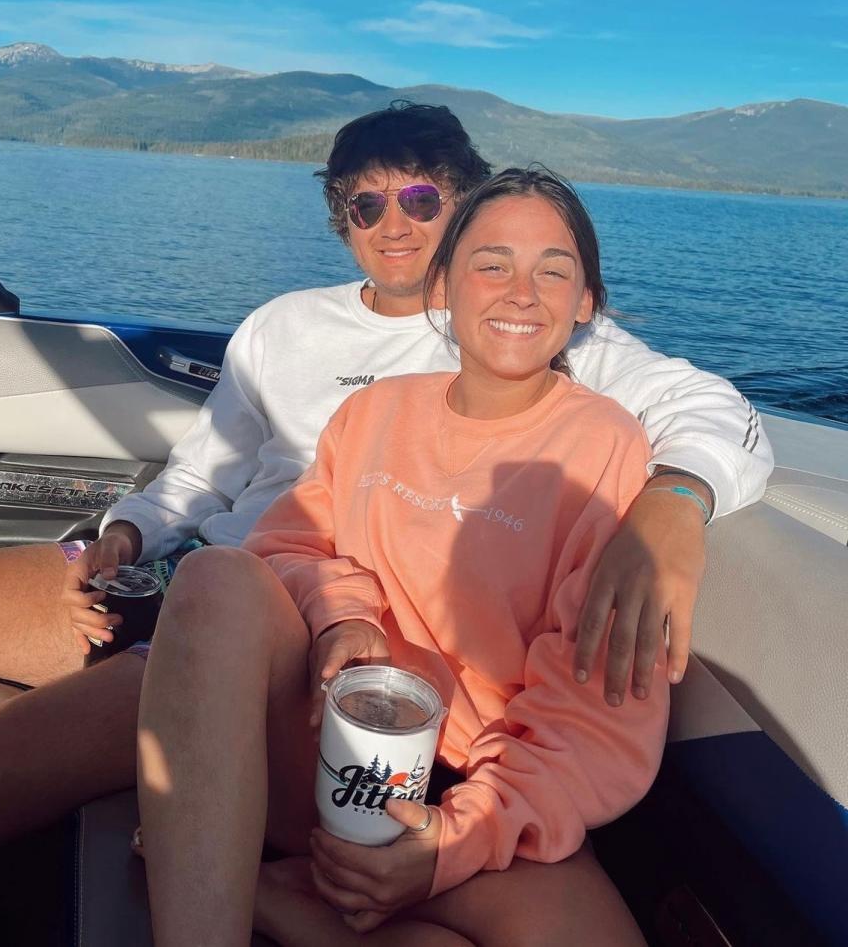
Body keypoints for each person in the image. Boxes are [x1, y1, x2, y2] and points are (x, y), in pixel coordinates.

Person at [0, 104, 770, 942]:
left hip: (311, 662)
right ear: (341, 217)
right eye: (366, 202)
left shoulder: (533, 334)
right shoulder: (287, 330)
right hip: (196, 584)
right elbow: (203, 475)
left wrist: (676, 501)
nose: (395, 222)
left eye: (424, 198)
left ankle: (245, 879)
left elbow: (713, 411)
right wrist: (118, 537)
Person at [136, 167, 669, 946]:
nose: (521, 292)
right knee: (217, 574)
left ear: (585, 303)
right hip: (325, 742)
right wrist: (341, 621)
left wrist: (451, 841)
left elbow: (596, 712)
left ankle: (260, 887)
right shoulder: (373, 413)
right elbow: (288, 542)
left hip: (487, 782)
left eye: (553, 271)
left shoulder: (606, 447)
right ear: (445, 285)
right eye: (492, 264)